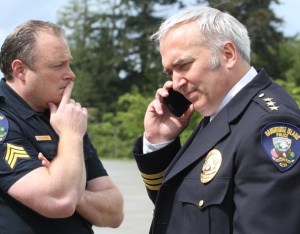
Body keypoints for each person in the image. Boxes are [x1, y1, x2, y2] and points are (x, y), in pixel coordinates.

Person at [132, 5, 300, 234]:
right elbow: (176, 211)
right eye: (170, 72)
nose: (176, 82)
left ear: (228, 54)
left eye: (184, 66)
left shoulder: (269, 125)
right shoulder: (222, 113)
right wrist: (159, 140)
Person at [0, 20, 124, 233]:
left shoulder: (63, 117)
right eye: (58, 66)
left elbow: (114, 213)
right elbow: (60, 201)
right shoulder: (7, 120)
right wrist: (70, 137)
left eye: (69, 63)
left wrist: (75, 191)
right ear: (20, 69)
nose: (71, 74)